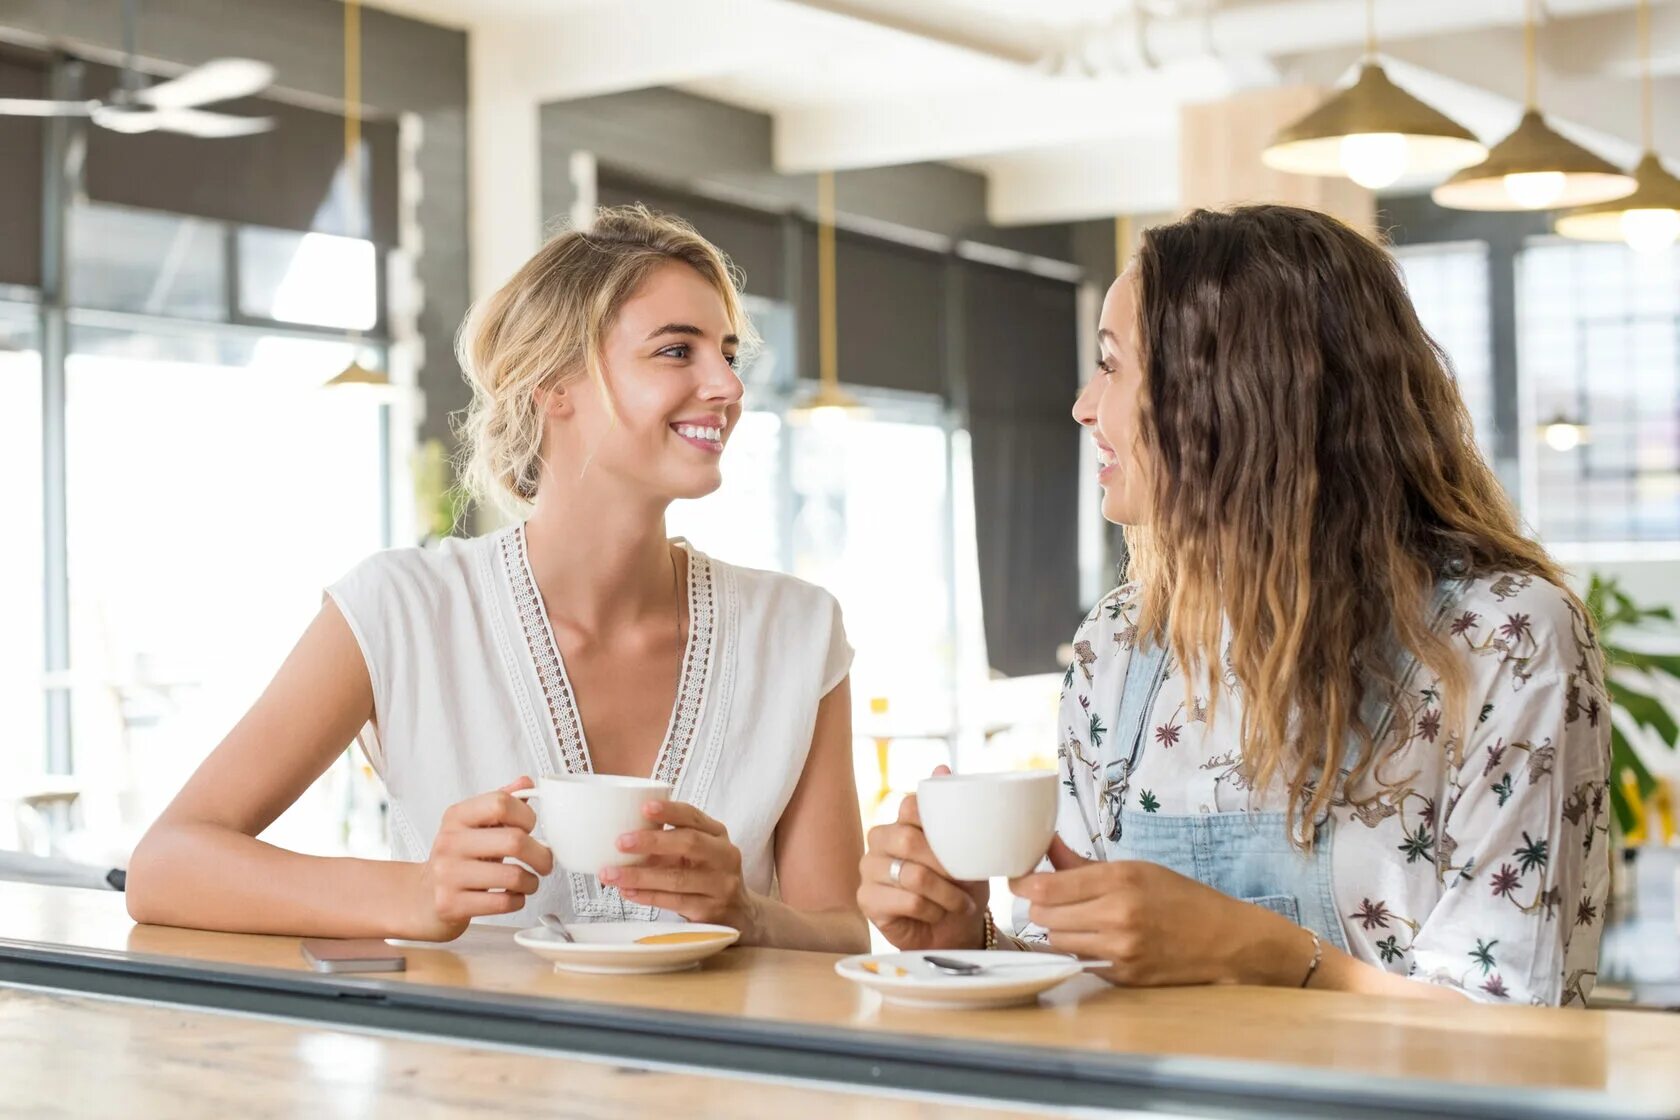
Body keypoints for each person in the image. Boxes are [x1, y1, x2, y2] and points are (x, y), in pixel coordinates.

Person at [859, 205, 1611, 1005]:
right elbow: (1078, 982)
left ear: (1231, 395)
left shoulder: (1502, 642)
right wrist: (970, 941)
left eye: (1112, 367)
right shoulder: (1117, 645)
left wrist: (1262, 951)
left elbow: (1519, 1029)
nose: (1084, 406)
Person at [127, 206, 868, 953]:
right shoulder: (399, 610)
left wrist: (747, 912)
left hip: (733, 1071)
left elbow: (841, 932)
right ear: (552, 386)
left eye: (728, 355)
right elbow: (167, 866)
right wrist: (414, 891)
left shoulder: (798, 631)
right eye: (678, 351)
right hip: (466, 1070)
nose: (728, 387)